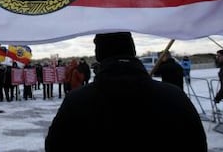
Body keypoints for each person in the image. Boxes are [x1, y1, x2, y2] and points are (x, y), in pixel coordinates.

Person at [45, 32, 207, 151]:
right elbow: (197, 144)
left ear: (99, 54)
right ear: (133, 51)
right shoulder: (174, 96)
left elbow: (54, 145)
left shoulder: (77, 101)